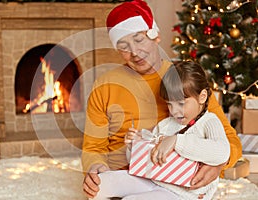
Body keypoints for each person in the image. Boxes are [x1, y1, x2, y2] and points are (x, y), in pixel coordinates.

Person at [81, 0, 242, 199]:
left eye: (139, 40)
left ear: (155, 35)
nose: (134, 52)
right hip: (126, 174)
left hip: (174, 181)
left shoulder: (185, 81)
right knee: (98, 189)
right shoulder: (104, 86)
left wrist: (216, 166)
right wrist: (95, 167)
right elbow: (92, 148)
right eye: (124, 46)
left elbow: (229, 141)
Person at [118, 61, 230, 199]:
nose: (175, 111)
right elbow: (146, 161)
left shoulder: (209, 122)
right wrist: (134, 146)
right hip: (154, 181)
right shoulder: (166, 124)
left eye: (181, 103)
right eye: (170, 104)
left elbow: (222, 152)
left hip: (184, 194)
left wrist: (176, 141)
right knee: (104, 182)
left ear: (202, 97)